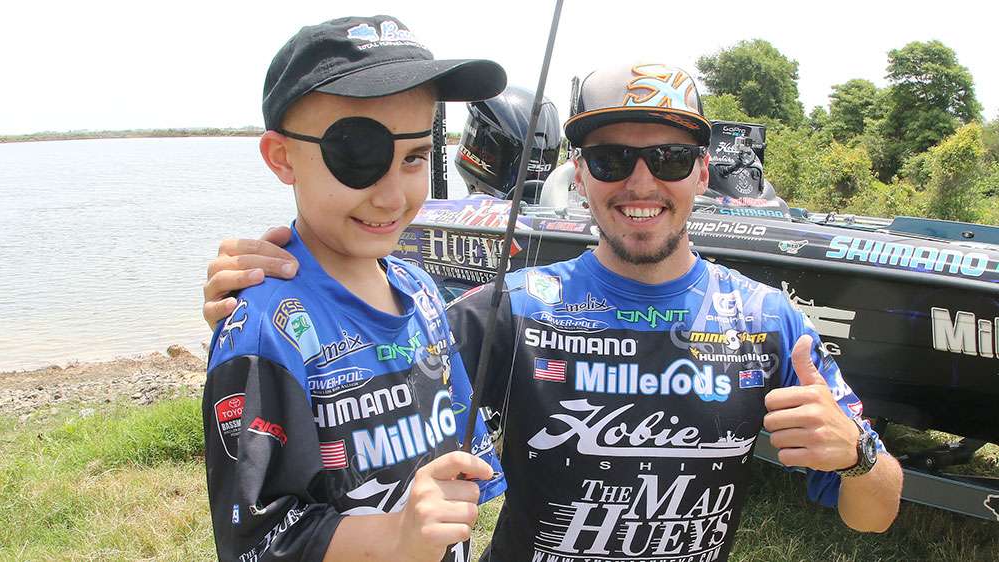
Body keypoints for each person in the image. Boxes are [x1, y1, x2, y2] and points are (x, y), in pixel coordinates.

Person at [203, 63, 903, 561]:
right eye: (608, 159)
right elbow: (363, 358)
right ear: (578, 172)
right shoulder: (515, 307)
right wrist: (267, 296)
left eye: (667, 156)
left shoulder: (768, 319)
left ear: (701, 169)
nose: (639, 183)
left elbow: (876, 514)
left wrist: (859, 454)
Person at [201, 15, 509, 562]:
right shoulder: (265, 327)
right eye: (357, 157)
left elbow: (464, 461)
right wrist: (398, 537)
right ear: (281, 157)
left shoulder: (421, 290)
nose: (392, 197)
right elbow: (256, 541)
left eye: (415, 156)